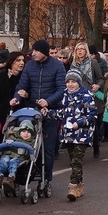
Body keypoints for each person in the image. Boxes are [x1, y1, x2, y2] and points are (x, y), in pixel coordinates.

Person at [10, 39, 65, 188]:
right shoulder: (30, 66)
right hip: (32, 111)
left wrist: (48, 101)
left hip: (50, 111)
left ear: (44, 52)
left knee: (47, 148)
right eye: (33, 51)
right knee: (26, 143)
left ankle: (46, 178)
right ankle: (22, 176)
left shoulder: (57, 66)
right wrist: (16, 98)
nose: (33, 53)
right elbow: (22, 86)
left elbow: (61, 89)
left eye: (36, 51)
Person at [44, 70, 96, 201]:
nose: (70, 84)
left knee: (77, 160)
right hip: (68, 134)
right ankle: (79, 185)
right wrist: (48, 112)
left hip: (83, 134)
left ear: (79, 83)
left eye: (73, 82)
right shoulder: (65, 95)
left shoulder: (87, 95)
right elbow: (62, 113)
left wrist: (79, 123)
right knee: (74, 161)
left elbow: (92, 115)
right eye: (68, 82)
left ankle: (72, 186)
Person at [71, 42, 105, 158]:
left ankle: (96, 146)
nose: (79, 51)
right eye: (77, 49)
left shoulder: (93, 62)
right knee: (78, 122)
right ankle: (79, 148)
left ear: (86, 51)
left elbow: (100, 78)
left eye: (82, 49)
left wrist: (97, 86)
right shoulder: (73, 64)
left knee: (92, 122)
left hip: (91, 96)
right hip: (78, 96)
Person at [0, 52, 25, 145]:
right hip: (4, 114)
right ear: (11, 62)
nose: (22, 63)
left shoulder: (24, 77)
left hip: (20, 114)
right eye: (18, 60)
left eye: (23, 60)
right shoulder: (2, 76)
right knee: (2, 142)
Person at [0, 119, 36, 191]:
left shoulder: (31, 141)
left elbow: (30, 149)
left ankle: (11, 179)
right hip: (8, 154)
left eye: (29, 132)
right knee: (3, 160)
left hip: (19, 157)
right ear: (19, 132)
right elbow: (4, 145)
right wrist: (7, 142)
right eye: (24, 131)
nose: (26, 133)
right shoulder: (12, 137)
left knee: (13, 162)